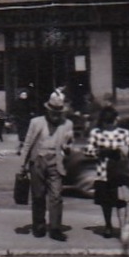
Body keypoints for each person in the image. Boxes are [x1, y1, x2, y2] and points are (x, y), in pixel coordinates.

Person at [18, 92, 75, 241]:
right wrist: (22, 165)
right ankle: (39, 225)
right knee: (38, 195)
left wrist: (68, 146)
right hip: (38, 161)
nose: (56, 115)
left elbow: (69, 148)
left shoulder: (67, 124)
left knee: (56, 196)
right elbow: (28, 143)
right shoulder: (36, 122)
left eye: (59, 112)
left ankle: (55, 228)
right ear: (47, 110)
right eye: (53, 112)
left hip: (56, 162)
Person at [86, 104, 129, 239]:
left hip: (120, 173)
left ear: (115, 120)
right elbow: (88, 151)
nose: (109, 125)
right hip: (103, 173)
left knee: (121, 201)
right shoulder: (96, 133)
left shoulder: (123, 133)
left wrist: (122, 151)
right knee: (106, 202)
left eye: (111, 122)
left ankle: (123, 227)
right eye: (107, 122)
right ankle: (108, 225)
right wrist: (101, 152)